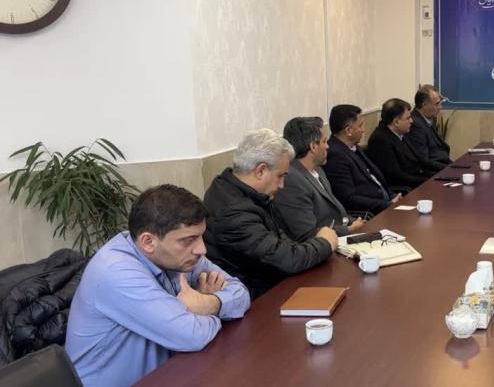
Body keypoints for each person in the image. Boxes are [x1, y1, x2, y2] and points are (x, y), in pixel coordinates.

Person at [66, 185, 250, 387]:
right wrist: (210, 311)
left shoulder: (181, 256)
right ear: (148, 242)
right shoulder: (115, 271)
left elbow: (240, 292)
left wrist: (209, 303)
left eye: (200, 236)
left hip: (172, 373)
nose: (202, 249)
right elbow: (192, 335)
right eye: (188, 240)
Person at [203, 128, 337, 299]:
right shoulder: (233, 211)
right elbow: (286, 260)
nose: (282, 185)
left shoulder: (246, 192)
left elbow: (281, 241)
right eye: (280, 176)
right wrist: (325, 242)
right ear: (261, 171)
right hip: (254, 300)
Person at [275, 117, 366, 244]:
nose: (328, 146)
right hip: (323, 247)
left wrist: (356, 222)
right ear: (313, 146)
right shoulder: (291, 180)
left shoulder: (317, 169)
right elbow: (307, 233)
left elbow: (337, 211)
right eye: (324, 141)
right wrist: (349, 229)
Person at [323, 104, 400, 215]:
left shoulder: (353, 146)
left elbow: (375, 178)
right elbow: (349, 198)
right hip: (371, 213)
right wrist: (386, 205)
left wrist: (392, 195)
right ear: (348, 130)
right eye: (360, 126)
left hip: (387, 203)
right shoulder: (335, 156)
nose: (363, 130)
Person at [367, 98, 439, 189]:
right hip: (406, 189)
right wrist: (428, 182)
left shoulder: (399, 132)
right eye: (408, 118)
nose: (411, 121)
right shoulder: (380, 140)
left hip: (418, 180)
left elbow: (420, 161)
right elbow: (396, 176)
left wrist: (439, 174)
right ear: (396, 122)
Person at [408, 84, 451, 170]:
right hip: (433, 172)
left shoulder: (425, 119)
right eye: (437, 104)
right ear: (424, 105)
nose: (440, 107)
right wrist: (449, 168)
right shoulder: (416, 125)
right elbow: (425, 160)